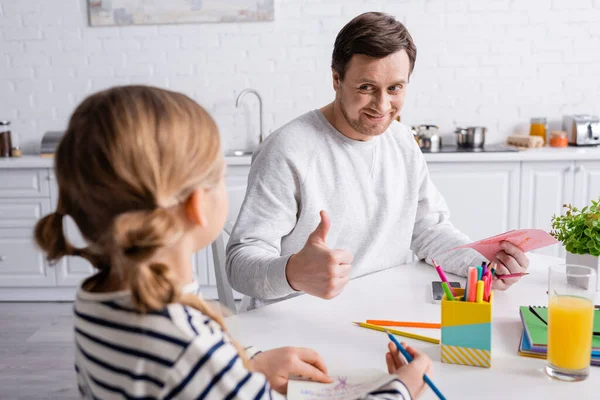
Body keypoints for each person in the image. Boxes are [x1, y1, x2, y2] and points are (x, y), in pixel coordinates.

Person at [34, 85, 432, 399]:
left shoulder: (99, 299)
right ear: (196, 206)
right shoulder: (187, 347)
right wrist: (401, 388)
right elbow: (190, 366)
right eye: (219, 175)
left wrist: (248, 367)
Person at [226, 12, 529, 310]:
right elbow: (240, 265)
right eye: (366, 87)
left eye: (395, 88)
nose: (382, 106)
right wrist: (293, 272)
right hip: (295, 325)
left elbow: (428, 230)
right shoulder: (287, 150)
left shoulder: (401, 140)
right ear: (336, 79)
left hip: (381, 314)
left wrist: (482, 264)